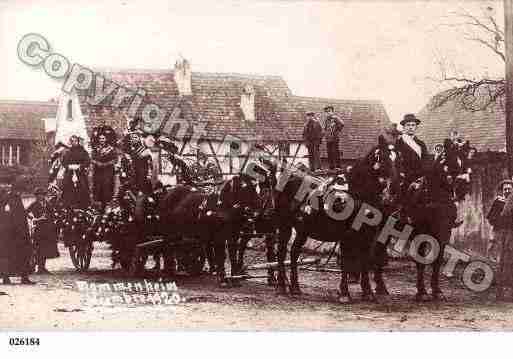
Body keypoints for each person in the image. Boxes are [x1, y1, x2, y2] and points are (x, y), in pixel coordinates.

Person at [0, 177, 35, 285]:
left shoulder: (16, 197)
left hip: (19, 230)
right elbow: (6, 214)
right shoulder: (7, 198)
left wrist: (26, 215)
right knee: (8, 254)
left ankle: (23, 277)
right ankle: (7, 277)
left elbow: (20, 213)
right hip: (10, 231)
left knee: (22, 253)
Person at [27, 187, 59, 274]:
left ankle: (43, 267)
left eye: (42, 195)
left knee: (46, 248)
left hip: (48, 228)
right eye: (38, 195)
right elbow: (26, 212)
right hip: (39, 228)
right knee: (39, 248)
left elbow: (52, 213)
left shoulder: (47, 204)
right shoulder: (34, 204)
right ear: (36, 196)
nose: (40, 196)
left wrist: (53, 218)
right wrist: (34, 218)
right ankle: (39, 268)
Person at [395, 113, 428, 185]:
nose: (410, 127)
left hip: (419, 180)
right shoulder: (398, 143)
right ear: (403, 127)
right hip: (403, 180)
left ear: (416, 127)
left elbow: (425, 161)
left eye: (413, 125)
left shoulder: (421, 144)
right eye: (408, 125)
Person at [91, 127, 117, 210]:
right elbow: (92, 158)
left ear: (106, 139)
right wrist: (96, 163)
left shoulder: (111, 149)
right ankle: (99, 206)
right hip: (98, 171)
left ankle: (107, 205)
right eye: (100, 138)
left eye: (103, 138)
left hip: (107, 172)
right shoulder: (95, 149)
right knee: (98, 187)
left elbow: (115, 159)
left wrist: (106, 164)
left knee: (107, 187)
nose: (101, 140)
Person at [62, 135, 91, 209]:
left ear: (78, 142)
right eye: (72, 141)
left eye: (75, 141)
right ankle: (69, 204)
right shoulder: (67, 152)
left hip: (80, 172)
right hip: (70, 173)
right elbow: (64, 162)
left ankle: (83, 205)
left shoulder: (83, 151)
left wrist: (80, 166)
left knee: (83, 186)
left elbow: (87, 161)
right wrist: (68, 166)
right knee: (67, 186)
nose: (74, 143)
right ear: (70, 142)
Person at [487, 180, 513, 262]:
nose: (507, 191)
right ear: (502, 191)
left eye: (509, 189)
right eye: (505, 189)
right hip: (499, 230)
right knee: (497, 249)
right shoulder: (498, 201)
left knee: (508, 250)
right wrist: (498, 222)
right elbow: (491, 217)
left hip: (510, 230)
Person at [323, 105, 344, 170]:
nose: (328, 113)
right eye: (326, 112)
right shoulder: (326, 120)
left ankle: (338, 166)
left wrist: (336, 130)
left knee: (335, 152)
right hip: (328, 138)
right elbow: (325, 128)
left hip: (334, 138)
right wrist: (326, 135)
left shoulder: (335, 118)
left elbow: (342, 124)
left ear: (332, 111)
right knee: (329, 153)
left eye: (329, 111)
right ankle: (331, 166)